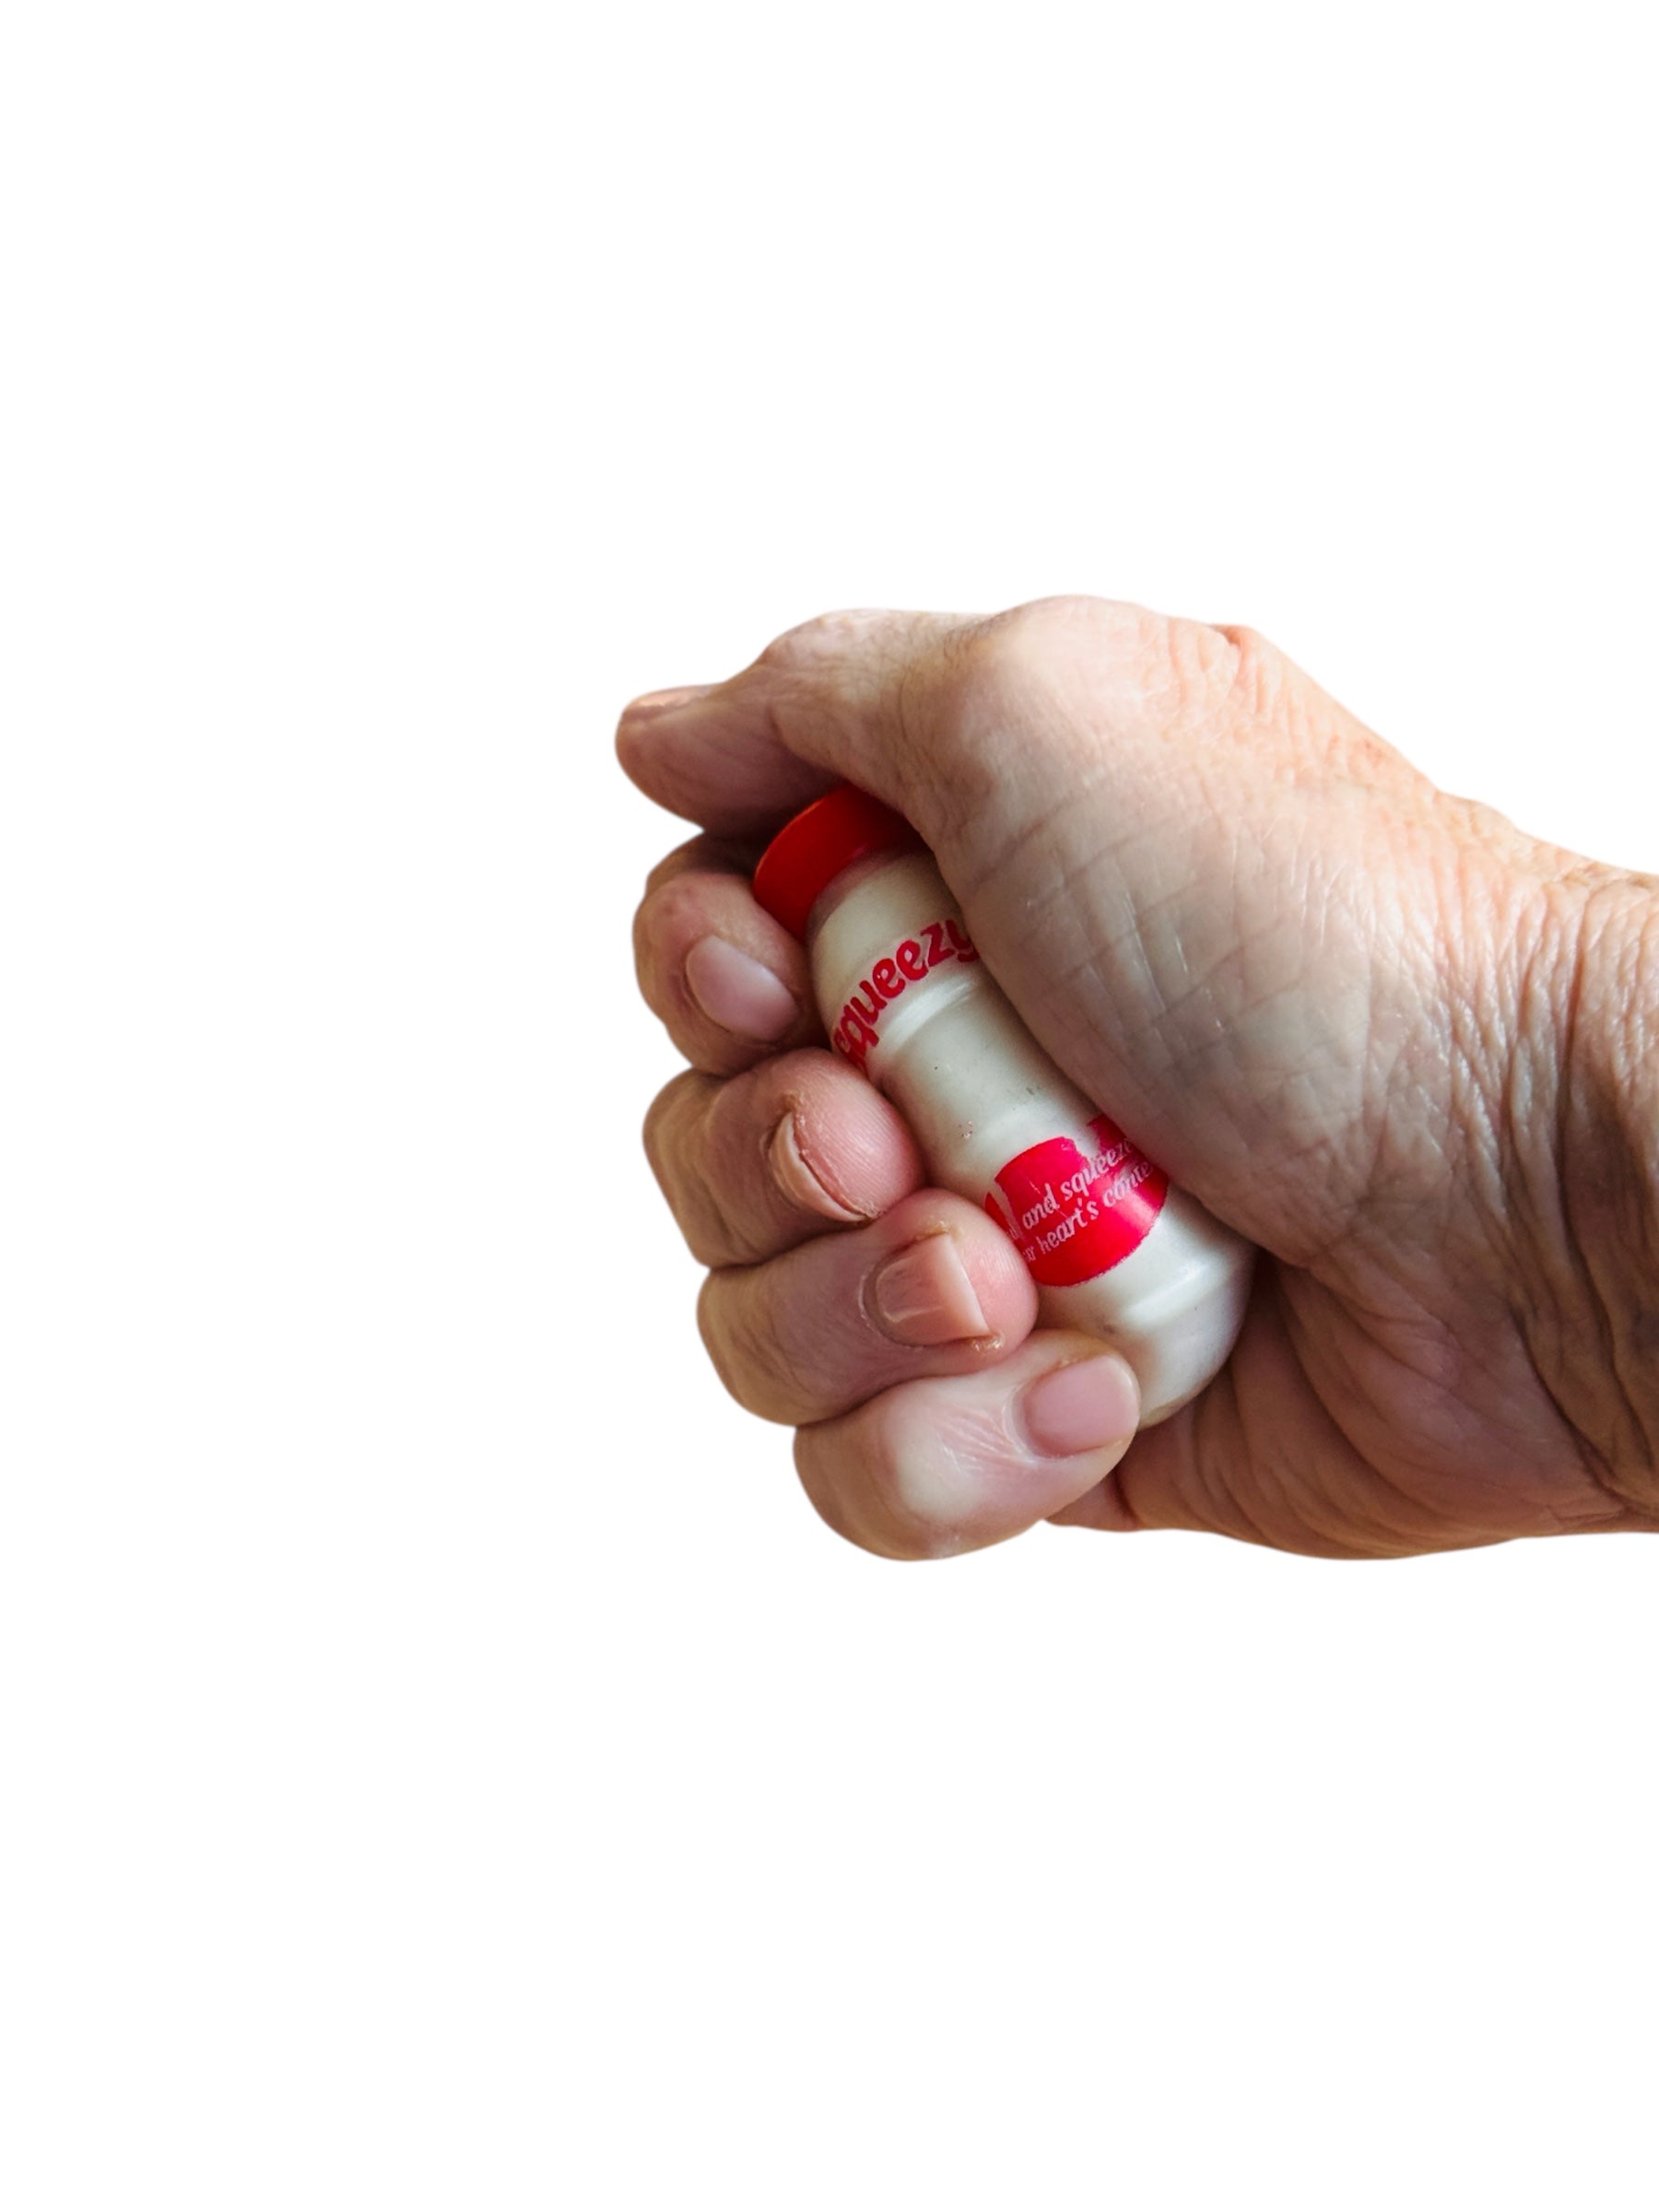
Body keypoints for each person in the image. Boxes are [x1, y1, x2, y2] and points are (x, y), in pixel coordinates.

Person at [617, 598, 1657, 1560]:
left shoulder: (911, 895)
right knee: (837, 1157)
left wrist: (1531, 1104)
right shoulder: (858, 945)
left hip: (1248, 1292)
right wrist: (1545, 1199)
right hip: (1300, 1328)